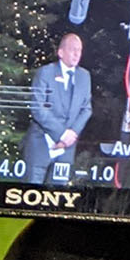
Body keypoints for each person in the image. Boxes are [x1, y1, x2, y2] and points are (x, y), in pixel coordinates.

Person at [20, 32, 93, 184]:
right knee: (31, 192)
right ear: (60, 52)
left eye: (79, 50)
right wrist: (61, 134)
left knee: (58, 194)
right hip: (41, 142)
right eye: (72, 49)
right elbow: (37, 108)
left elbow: (86, 109)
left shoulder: (84, 76)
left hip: (67, 148)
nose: (76, 54)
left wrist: (71, 135)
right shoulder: (45, 73)